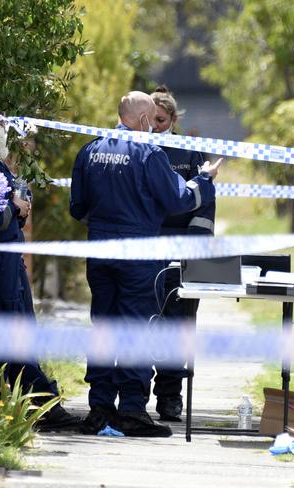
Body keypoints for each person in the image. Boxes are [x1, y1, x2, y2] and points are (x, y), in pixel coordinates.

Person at [70, 91, 221, 437]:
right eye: (150, 119)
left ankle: (100, 408)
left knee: (104, 326)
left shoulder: (90, 150)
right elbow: (180, 199)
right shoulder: (150, 153)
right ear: (141, 120)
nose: (153, 126)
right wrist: (205, 179)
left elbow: (77, 208)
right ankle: (133, 411)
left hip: (102, 252)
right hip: (139, 254)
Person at [0, 108, 81, 431]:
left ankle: (39, 402)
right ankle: (40, 404)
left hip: (8, 261)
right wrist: (13, 208)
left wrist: (20, 204)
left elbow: (13, 195)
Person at [150, 86, 216, 422]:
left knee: (177, 325)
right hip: (143, 248)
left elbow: (204, 204)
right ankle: (134, 395)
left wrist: (193, 253)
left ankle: (169, 397)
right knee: (145, 322)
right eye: (150, 119)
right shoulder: (139, 147)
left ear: (174, 120)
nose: (155, 125)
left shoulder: (190, 153)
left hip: (179, 252)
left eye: (160, 120)